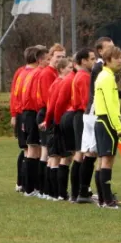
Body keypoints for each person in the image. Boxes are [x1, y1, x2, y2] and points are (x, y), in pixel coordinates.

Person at [94, 46, 121, 209]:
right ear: (108, 60)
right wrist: (118, 127)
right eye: (117, 57)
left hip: (102, 121)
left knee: (102, 160)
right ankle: (107, 200)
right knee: (107, 160)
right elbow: (110, 105)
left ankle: (102, 199)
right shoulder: (106, 78)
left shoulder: (105, 76)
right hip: (107, 122)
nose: (120, 60)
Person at [39, 57, 73, 200]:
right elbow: (53, 105)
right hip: (57, 122)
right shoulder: (60, 83)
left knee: (55, 157)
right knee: (59, 157)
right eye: (69, 68)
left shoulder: (57, 82)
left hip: (54, 121)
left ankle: (50, 192)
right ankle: (57, 193)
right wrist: (50, 121)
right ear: (61, 69)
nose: (72, 70)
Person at [36, 43, 66, 199]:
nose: (60, 59)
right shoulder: (48, 74)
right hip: (48, 114)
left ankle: (45, 190)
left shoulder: (55, 73)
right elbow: (51, 99)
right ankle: (44, 189)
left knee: (49, 154)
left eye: (63, 57)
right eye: (57, 57)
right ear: (50, 57)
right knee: (47, 153)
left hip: (50, 114)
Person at [68, 48, 96, 203]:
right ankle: (79, 192)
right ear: (83, 61)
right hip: (82, 116)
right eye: (91, 59)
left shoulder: (80, 75)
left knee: (80, 153)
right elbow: (87, 101)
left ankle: (76, 192)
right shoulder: (84, 77)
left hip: (79, 116)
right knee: (82, 154)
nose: (94, 61)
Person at [21, 46, 50, 197]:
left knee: (35, 150)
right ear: (40, 60)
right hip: (32, 113)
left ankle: (31, 187)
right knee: (33, 150)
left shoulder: (33, 73)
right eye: (48, 59)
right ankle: (30, 188)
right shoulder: (39, 74)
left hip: (29, 113)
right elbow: (36, 97)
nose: (49, 62)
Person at [10, 46, 34, 192]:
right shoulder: (24, 72)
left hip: (21, 113)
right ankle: (24, 183)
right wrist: (14, 114)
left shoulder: (21, 71)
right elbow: (15, 93)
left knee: (26, 148)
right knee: (27, 148)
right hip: (24, 113)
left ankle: (22, 183)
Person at [53, 58, 78, 200]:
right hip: (66, 120)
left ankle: (60, 192)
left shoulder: (65, 80)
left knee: (66, 156)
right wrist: (57, 122)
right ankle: (64, 192)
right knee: (68, 156)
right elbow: (58, 103)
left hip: (63, 120)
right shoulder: (68, 80)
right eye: (68, 67)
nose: (70, 69)